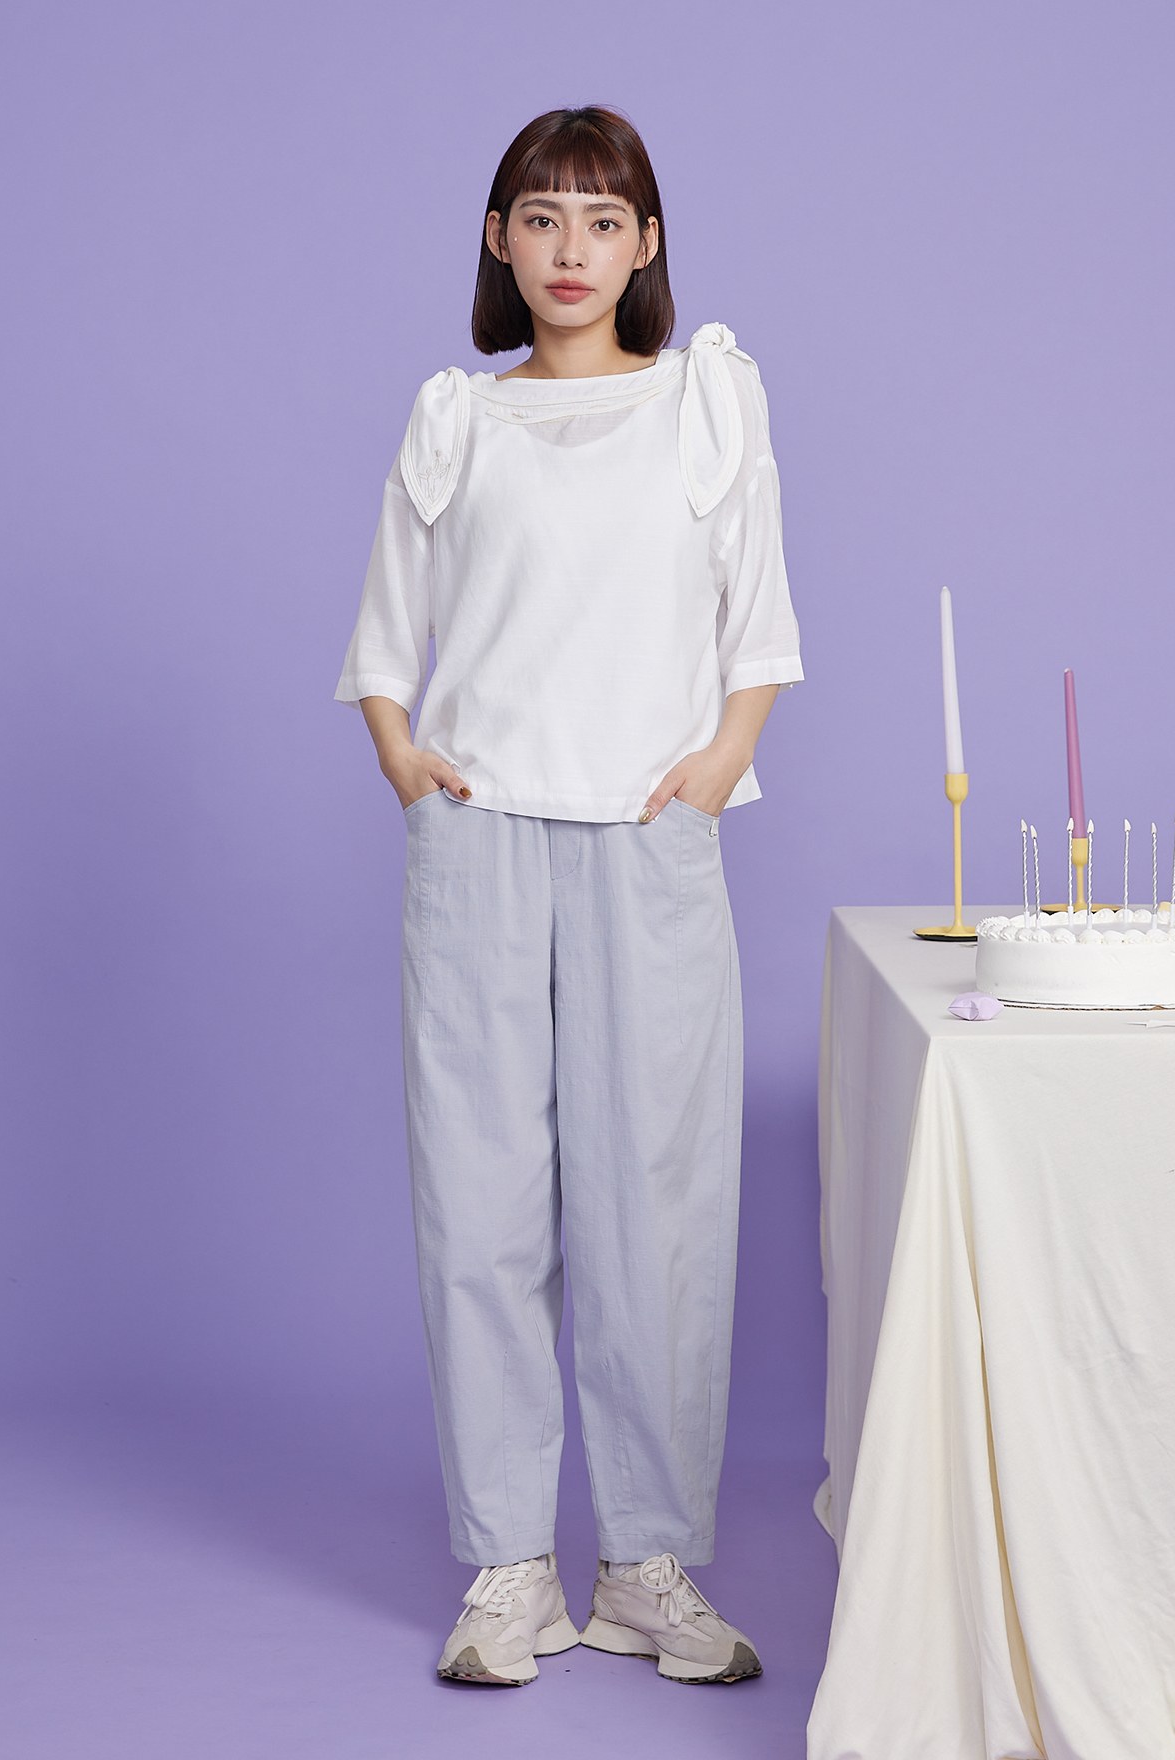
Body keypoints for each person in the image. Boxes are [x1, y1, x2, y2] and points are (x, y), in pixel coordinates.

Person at [334, 104, 802, 1688]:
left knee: (658, 1209)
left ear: (647, 243)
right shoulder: (455, 421)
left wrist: (711, 771)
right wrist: (407, 764)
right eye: (541, 218)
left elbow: (758, 634)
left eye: (603, 221)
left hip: (646, 837)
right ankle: (510, 1571)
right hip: (480, 842)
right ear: (498, 239)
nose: (571, 251)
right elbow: (386, 641)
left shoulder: (707, 404)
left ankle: (648, 1567)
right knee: (479, 1210)